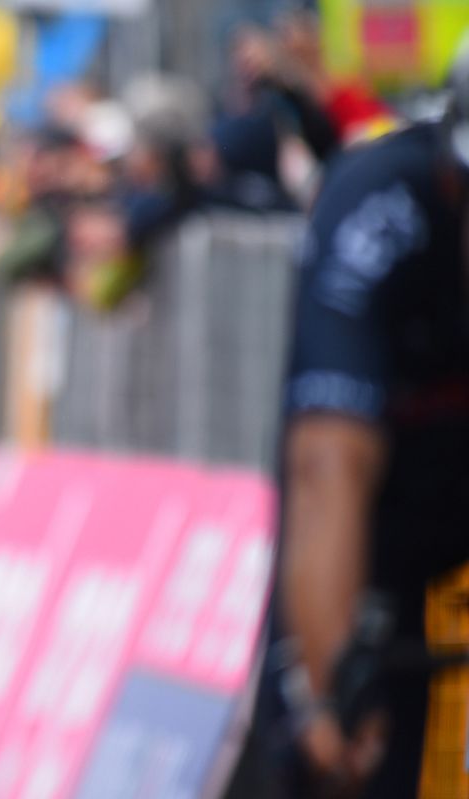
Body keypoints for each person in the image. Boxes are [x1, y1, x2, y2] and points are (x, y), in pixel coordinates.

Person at [222, 44, 469, 799]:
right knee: (341, 747)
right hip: (384, 499)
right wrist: (330, 692)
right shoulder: (379, 204)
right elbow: (327, 469)